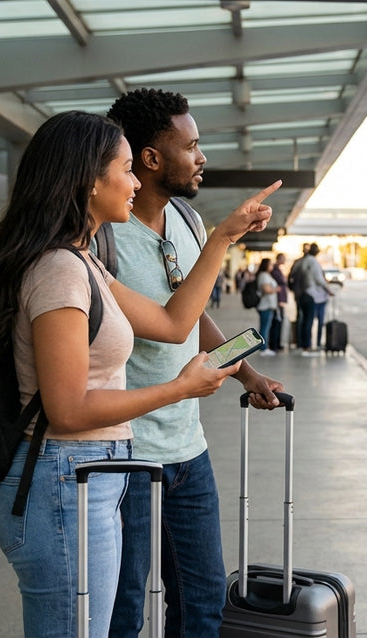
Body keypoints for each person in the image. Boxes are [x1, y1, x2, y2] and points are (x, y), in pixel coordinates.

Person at [0, 110, 276, 638]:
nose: (135, 182)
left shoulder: (84, 263)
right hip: (64, 482)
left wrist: (223, 237)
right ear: (90, 179)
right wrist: (180, 388)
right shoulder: (59, 271)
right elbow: (66, 410)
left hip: (93, 478)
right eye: (126, 168)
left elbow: (175, 322)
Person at [103, 88, 285, 638]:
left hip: (189, 449)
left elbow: (193, 310)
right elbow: (169, 323)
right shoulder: (101, 235)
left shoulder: (185, 218)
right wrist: (227, 235)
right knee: (123, 610)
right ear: (152, 158)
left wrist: (246, 372)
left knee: (204, 602)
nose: (202, 157)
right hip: (127, 452)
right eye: (192, 145)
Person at [296, 243, 331, 355]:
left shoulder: (301, 261)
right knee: (309, 321)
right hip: (311, 294)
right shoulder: (313, 262)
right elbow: (318, 279)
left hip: (301, 294)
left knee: (304, 321)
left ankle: (303, 345)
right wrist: (328, 289)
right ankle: (308, 347)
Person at [254, 257, 278, 356]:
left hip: (268, 305)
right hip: (265, 305)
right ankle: (263, 348)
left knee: (265, 326)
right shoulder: (263, 276)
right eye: (270, 264)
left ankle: (264, 346)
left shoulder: (266, 275)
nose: (272, 266)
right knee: (265, 327)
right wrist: (276, 289)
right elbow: (266, 289)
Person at [267, 253, 288, 352]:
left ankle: (277, 343)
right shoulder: (275, 270)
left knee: (279, 322)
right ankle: (274, 344)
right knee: (277, 322)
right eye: (283, 259)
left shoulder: (278, 269)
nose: (285, 260)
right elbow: (281, 282)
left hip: (280, 300)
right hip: (278, 300)